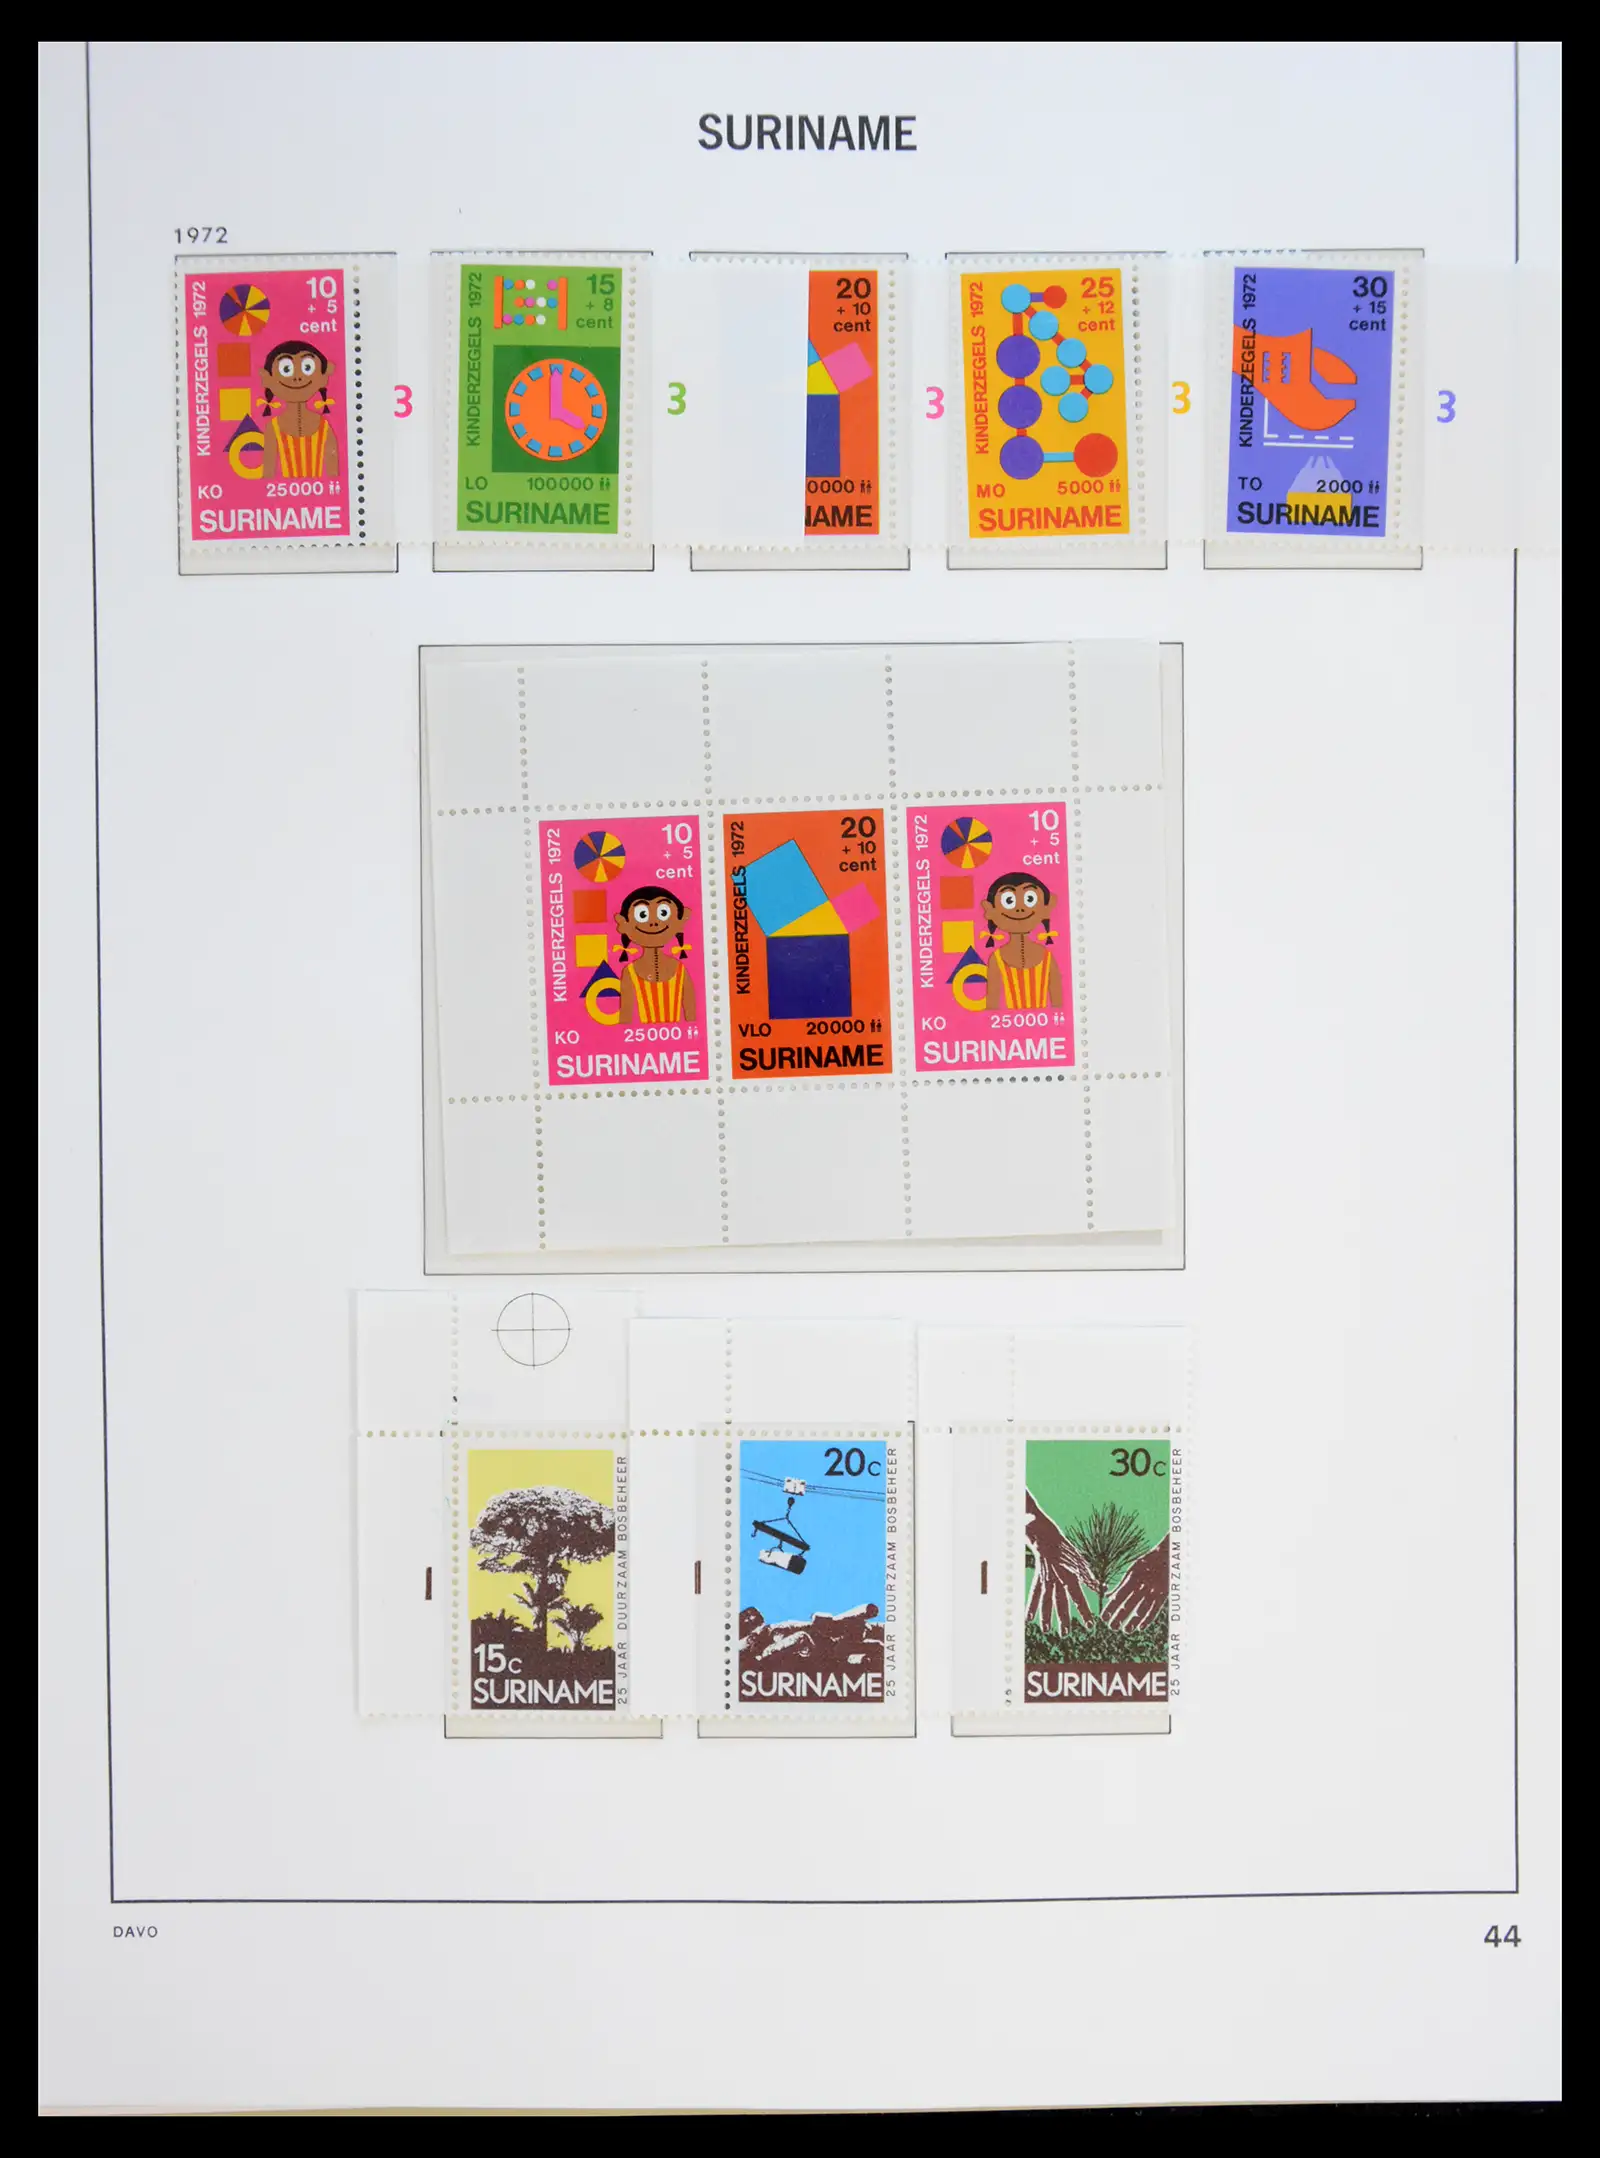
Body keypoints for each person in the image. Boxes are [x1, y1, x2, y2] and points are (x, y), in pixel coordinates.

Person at [257, 339, 341, 480]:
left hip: (320, 492)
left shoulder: (324, 427)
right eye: (286, 369)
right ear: (267, 379)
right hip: (283, 493)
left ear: (323, 376)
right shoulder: (273, 427)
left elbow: (334, 473)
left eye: (307, 367)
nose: (297, 377)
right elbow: (268, 474)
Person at [980, 872, 1063, 1012]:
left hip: (1044, 1022)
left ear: (1046, 907)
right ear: (990, 910)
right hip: (1009, 1024)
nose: (1020, 908)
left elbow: (1058, 1002)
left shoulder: (1047, 957)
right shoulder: (997, 958)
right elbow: (992, 1004)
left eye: (1030, 899)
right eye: (1009, 901)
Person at [614, 887, 696, 1023]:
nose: (653, 922)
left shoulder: (680, 970)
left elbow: (691, 1015)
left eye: (663, 913)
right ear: (625, 924)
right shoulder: (630, 972)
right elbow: (626, 1017)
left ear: (679, 920)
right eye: (642, 915)